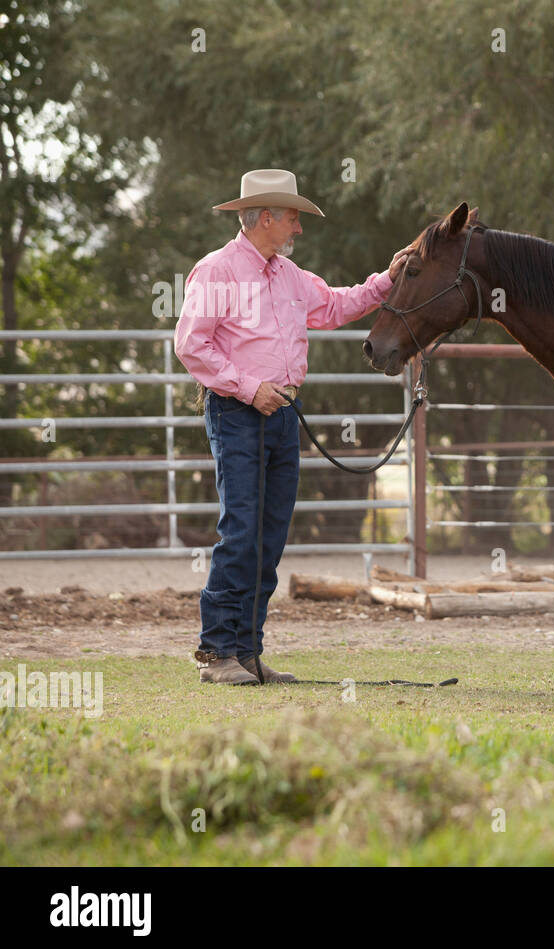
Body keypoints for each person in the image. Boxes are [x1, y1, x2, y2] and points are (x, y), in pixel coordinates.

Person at [175, 169, 406, 685]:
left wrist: (388, 281)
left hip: (280, 415)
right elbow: (192, 344)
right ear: (265, 217)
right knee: (242, 529)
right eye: (293, 217)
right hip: (238, 413)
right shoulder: (217, 272)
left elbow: (336, 306)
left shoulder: (289, 276)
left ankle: (247, 650)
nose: (298, 229)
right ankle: (216, 653)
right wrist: (247, 387)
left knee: (269, 534)